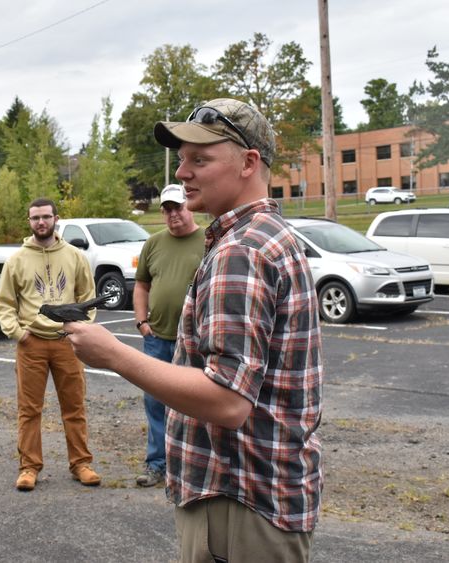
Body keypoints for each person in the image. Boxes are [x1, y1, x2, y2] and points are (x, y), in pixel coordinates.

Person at [64, 99, 323, 562]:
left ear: (249, 162)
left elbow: (227, 400)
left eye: (199, 159)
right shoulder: (268, 234)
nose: (182, 173)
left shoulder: (241, 252)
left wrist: (113, 354)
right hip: (260, 498)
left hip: (236, 504)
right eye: (183, 158)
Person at [0, 198, 101, 492]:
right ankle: (29, 467)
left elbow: (87, 296)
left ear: (56, 219)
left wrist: (79, 327)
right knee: (29, 410)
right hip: (32, 344)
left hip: (67, 344)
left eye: (45, 217)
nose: (41, 222)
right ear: (29, 222)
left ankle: (81, 464)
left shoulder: (75, 256)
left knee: (74, 406)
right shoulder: (17, 260)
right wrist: (18, 333)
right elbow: (4, 303)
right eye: (35, 218)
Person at [133, 184, 204, 487]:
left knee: (196, 404)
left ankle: (193, 466)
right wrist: (141, 323)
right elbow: (141, 286)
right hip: (158, 338)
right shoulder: (153, 243)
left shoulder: (210, 240)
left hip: (195, 341)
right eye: (167, 209)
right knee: (156, 402)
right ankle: (157, 465)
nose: (174, 213)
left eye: (178, 206)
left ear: (190, 206)